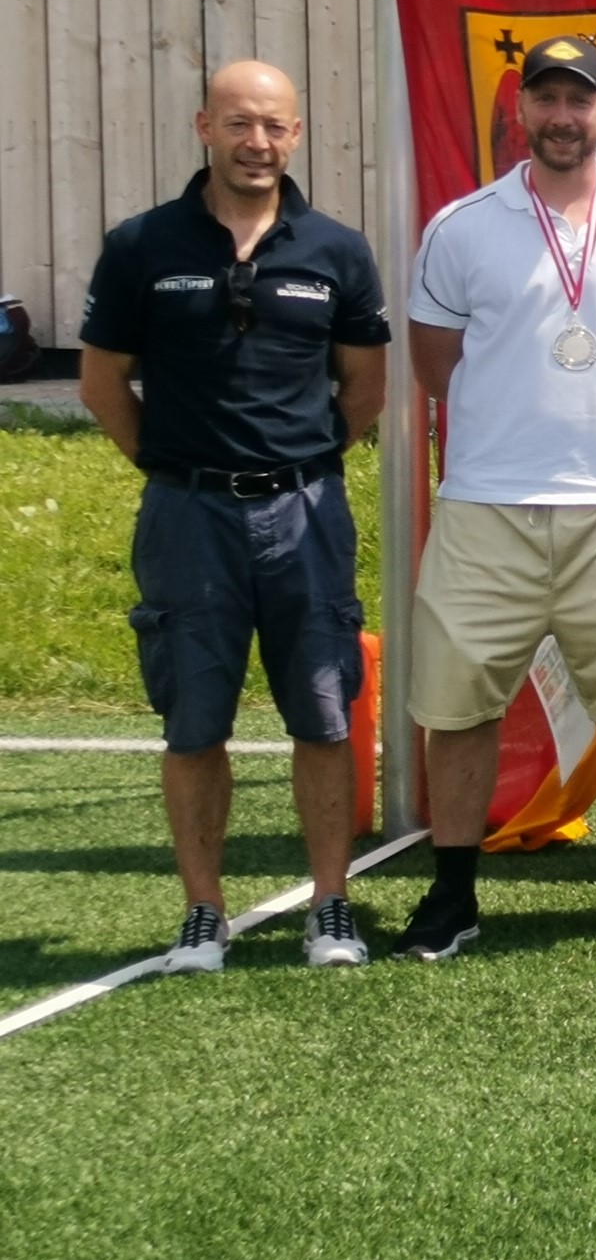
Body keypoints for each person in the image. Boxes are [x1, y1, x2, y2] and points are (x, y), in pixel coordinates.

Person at [397, 34, 596, 958]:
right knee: (458, 705)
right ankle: (453, 896)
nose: (563, 118)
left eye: (581, 101)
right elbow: (434, 362)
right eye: (547, 100)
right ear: (521, 110)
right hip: (488, 501)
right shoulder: (463, 227)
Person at [79, 59, 389, 971]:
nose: (259, 143)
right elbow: (102, 384)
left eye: (276, 127)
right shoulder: (142, 245)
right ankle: (203, 912)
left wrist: (299, 467)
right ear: (204, 125)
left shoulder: (336, 250)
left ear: (296, 136)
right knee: (194, 722)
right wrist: (178, 471)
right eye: (241, 124)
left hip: (306, 512)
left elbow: (362, 389)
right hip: (189, 516)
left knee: (325, 714)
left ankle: (331, 904)